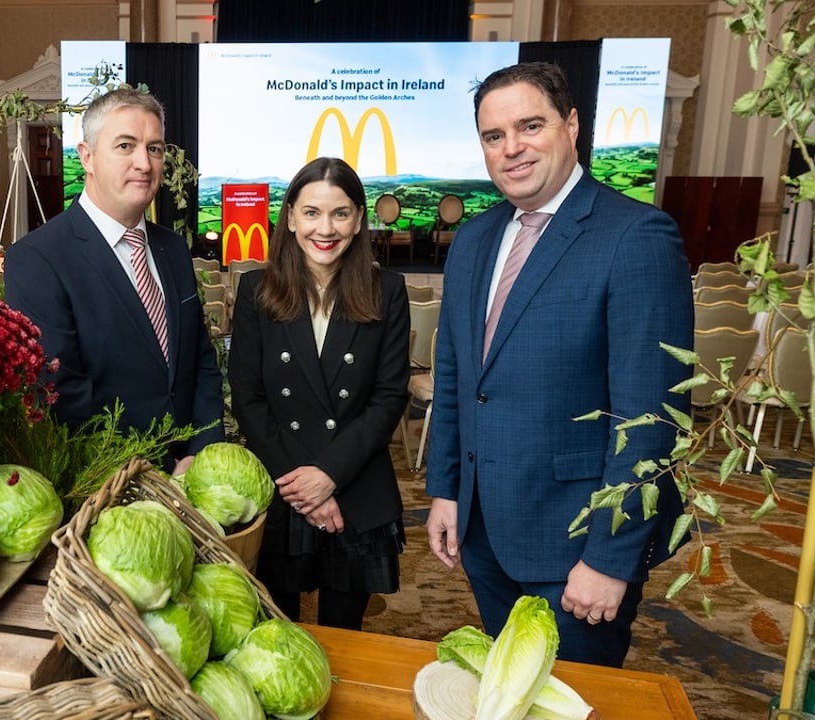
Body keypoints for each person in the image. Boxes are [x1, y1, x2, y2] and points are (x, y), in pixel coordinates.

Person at [423, 61, 693, 666]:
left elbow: (653, 420)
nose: (511, 148)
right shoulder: (474, 238)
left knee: (571, 702)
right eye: (494, 136)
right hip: (484, 531)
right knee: (506, 692)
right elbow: (460, 378)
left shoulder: (637, 236)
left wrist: (609, 558)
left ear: (572, 125)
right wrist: (446, 490)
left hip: (576, 545)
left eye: (530, 126)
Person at [229, 157, 411, 630]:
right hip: (282, 486)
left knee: (344, 639)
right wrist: (304, 487)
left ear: (358, 219)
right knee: (274, 633)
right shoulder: (256, 290)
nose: (324, 228)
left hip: (355, 487)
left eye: (340, 213)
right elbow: (248, 399)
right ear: (289, 218)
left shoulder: (386, 290)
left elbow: (389, 398)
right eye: (311, 213)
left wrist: (329, 475)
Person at [3, 88, 224, 473]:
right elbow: (62, 394)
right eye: (126, 145)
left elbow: (200, 358)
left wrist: (203, 452)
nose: (144, 163)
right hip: (110, 482)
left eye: (155, 149)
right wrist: (152, 468)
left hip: (194, 474)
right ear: (86, 156)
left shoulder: (172, 249)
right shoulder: (37, 259)